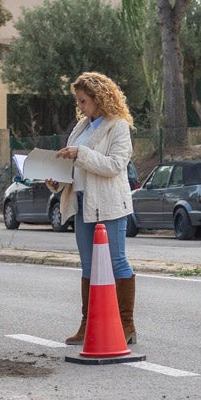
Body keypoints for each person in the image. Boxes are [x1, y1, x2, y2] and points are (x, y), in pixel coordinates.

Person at [54, 71, 138, 344]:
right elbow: (75, 166)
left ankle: (127, 324)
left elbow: (115, 165)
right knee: (88, 265)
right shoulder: (81, 127)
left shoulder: (118, 126)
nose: (80, 106)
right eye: (78, 101)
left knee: (116, 261)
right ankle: (87, 324)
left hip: (109, 204)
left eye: (83, 101)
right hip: (81, 202)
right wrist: (55, 177)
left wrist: (81, 154)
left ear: (99, 99)